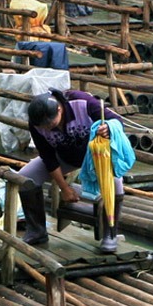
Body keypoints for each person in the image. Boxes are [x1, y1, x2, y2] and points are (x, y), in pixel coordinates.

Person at [18, 89, 125, 252]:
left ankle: (109, 233)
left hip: (96, 155)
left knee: (116, 184)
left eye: (50, 124)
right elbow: (47, 157)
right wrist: (65, 188)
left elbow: (116, 121)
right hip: (64, 156)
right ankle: (37, 230)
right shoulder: (36, 123)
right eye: (43, 126)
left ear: (59, 109)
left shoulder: (83, 103)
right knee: (25, 177)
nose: (46, 128)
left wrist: (109, 129)